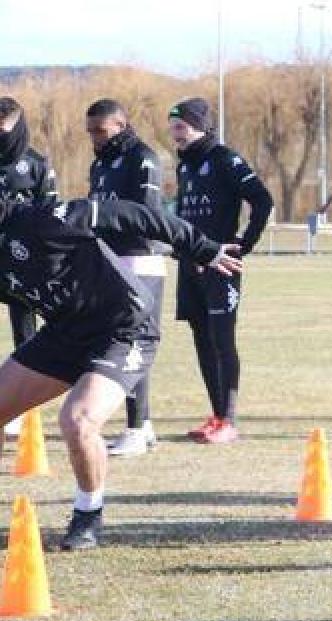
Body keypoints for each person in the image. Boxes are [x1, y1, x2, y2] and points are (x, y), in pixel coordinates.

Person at [0, 197, 242, 550]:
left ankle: (88, 514)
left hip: (124, 329)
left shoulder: (43, 219)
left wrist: (201, 248)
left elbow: (137, 215)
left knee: (78, 420)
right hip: (64, 334)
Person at [169, 97, 273, 444]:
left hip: (222, 265)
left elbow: (262, 199)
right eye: (173, 126)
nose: (175, 133)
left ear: (199, 125)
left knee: (222, 340)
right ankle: (215, 416)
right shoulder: (184, 165)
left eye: (180, 125)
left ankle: (229, 419)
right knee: (201, 338)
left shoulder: (224, 158)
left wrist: (245, 243)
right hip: (190, 265)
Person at [85, 98, 167, 457]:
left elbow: (145, 215)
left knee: (133, 344)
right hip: (110, 260)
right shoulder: (100, 163)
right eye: (90, 132)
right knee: (112, 342)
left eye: (100, 131)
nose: (94, 138)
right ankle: (143, 424)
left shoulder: (142, 158)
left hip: (140, 260)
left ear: (120, 125)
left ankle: (135, 428)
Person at [0, 96, 58, 439]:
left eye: (4, 131)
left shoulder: (36, 164)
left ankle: (23, 411)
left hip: (22, 264)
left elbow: (52, 215)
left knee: (26, 335)